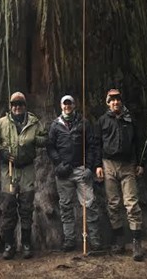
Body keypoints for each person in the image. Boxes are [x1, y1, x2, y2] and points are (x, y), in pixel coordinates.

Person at [0, 91, 47, 260]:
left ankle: (26, 244)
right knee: (8, 206)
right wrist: (1, 152)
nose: (17, 107)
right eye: (14, 104)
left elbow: (44, 138)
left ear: (24, 106)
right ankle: (9, 245)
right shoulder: (2, 123)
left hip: (27, 169)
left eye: (20, 104)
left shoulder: (33, 122)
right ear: (11, 106)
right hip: (9, 169)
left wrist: (36, 140)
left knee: (26, 206)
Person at [95, 88, 145, 261]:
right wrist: (97, 165)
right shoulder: (102, 120)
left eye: (118, 99)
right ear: (108, 103)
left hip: (128, 165)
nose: (115, 102)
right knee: (113, 204)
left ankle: (137, 242)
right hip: (108, 164)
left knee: (131, 203)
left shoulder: (130, 119)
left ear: (121, 101)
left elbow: (138, 142)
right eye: (112, 100)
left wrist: (140, 163)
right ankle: (119, 239)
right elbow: (97, 144)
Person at [47, 95, 102, 252]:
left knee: (89, 205)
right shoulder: (55, 125)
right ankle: (69, 240)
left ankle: (95, 239)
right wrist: (58, 164)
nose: (67, 106)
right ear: (61, 106)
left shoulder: (83, 122)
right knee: (65, 206)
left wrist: (90, 167)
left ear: (74, 105)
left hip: (81, 170)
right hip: (63, 172)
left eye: (69, 103)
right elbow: (50, 147)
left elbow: (92, 146)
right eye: (64, 104)